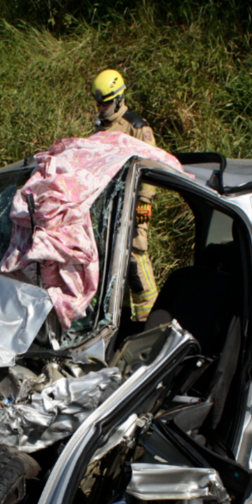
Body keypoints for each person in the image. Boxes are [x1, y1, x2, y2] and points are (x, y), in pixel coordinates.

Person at [91, 69, 159, 320]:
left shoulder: (136, 127)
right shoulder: (101, 129)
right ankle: (117, 317)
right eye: (98, 102)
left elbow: (151, 165)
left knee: (134, 257)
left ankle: (149, 319)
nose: (100, 107)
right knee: (108, 258)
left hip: (132, 203)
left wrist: (144, 200)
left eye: (105, 102)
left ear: (119, 98)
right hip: (107, 204)